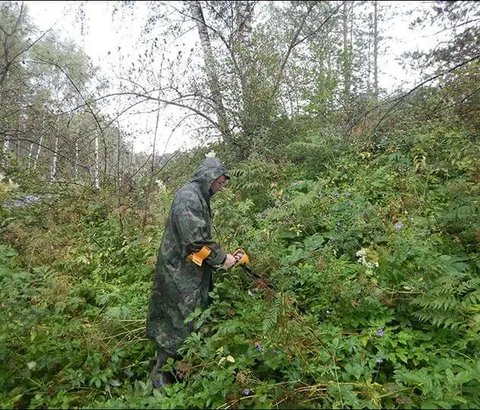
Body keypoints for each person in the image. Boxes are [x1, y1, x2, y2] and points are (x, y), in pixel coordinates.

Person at [146, 157, 237, 388]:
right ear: (209, 177)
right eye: (220, 182)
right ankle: (161, 377)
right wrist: (221, 258)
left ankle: (182, 368)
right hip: (178, 272)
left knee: (191, 318)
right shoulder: (188, 197)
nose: (221, 187)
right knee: (177, 319)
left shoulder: (198, 195)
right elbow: (195, 241)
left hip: (190, 270)